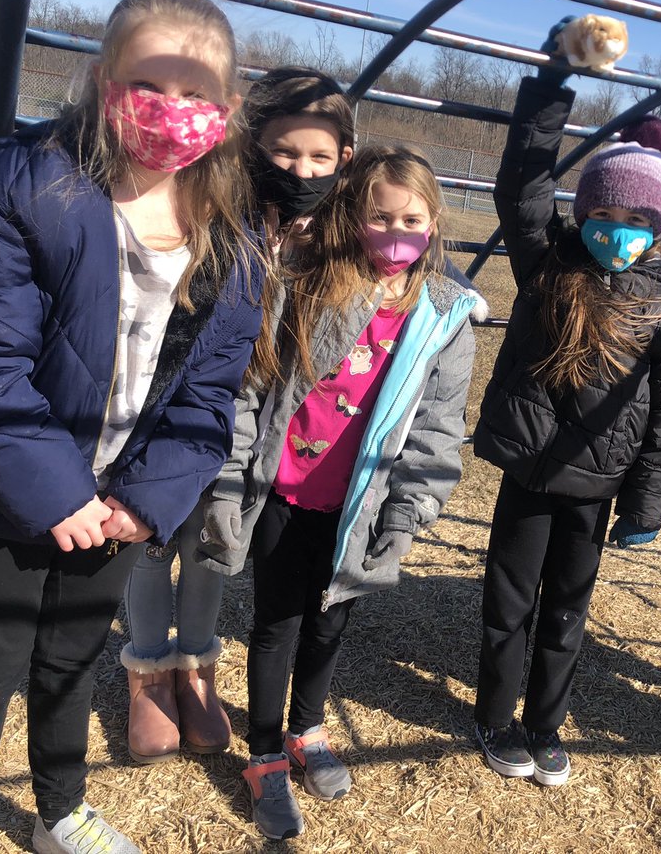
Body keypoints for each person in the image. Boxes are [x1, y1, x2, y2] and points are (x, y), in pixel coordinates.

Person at [0, 0, 263, 854]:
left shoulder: (230, 235)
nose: (174, 111)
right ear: (103, 80)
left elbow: (209, 392)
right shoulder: (11, 185)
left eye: (198, 92)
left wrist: (145, 499)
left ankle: (60, 809)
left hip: (122, 501)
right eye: (150, 83)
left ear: (231, 107)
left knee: (68, 662)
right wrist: (57, 493)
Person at [192, 144, 479, 840]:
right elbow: (252, 388)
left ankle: (307, 728)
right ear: (353, 217)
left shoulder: (445, 316)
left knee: (330, 622)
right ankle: (264, 753)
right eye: (380, 217)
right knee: (276, 624)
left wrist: (407, 516)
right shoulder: (307, 281)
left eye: (412, 218)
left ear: (434, 221)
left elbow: (438, 432)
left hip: (362, 507)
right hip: (284, 494)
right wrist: (229, 487)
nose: (396, 232)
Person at [471, 18, 661, 788]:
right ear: (586, 211)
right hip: (530, 474)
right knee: (509, 601)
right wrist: (551, 81)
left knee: (568, 608)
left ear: (658, 230)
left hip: (595, 485)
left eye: (640, 223)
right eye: (606, 215)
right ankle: (497, 719)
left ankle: (545, 724)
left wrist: (646, 505)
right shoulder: (548, 265)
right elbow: (523, 187)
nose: (619, 233)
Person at [120, 66, 354, 766]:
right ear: (252, 144)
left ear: (344, 159)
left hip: (247, 417)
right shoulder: (214, 204)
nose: (300, 169)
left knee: (211, 542)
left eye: (319, 157)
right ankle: (147, 674)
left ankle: (196, 666)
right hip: (174, 399)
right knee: (147, 535)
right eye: (285, 151)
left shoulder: (332, 233)